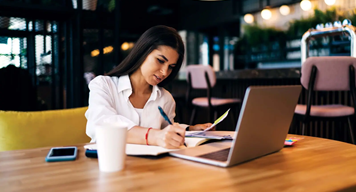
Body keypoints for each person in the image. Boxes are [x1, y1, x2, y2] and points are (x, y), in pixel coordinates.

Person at [85, 25, 212, 149]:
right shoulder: (104, 85)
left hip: (148, 167)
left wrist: (189, 129)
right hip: (105, 164)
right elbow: (101, 125)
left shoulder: (166, 99)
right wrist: (153, 136)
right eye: (160, 61)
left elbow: (166, 130)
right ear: (143, 52)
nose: (164, 72)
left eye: (171, 67)